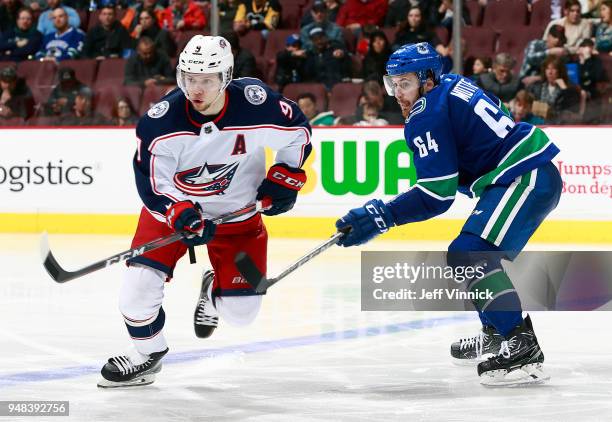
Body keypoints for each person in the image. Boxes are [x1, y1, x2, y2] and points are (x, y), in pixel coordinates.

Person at [335, 42, 561, 386]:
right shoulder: (452, 83)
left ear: (427, 79)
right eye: (392, 83)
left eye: (405, 83)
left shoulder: (426, 113)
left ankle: (521, 344)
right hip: (523, 173)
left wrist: (382, 216)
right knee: (468, 254)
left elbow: (437, 195)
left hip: (523, 176)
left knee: (470, 254)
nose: (397, 93)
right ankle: (497, 332)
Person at [97, 34, 312, 388]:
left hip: (239, 219)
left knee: (243, 314)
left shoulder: (258, 105)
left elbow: (298, 133)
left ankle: (214, 290)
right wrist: (177, 211)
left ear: (225, 77)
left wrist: (285, 178)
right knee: (135, 296)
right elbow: (152, 183)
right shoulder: (161, 122)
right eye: (189, 78)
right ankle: (147, 355)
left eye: (207, 80)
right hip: (171, 221)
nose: (196, 89)